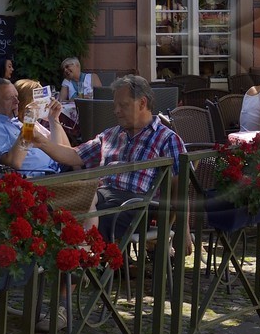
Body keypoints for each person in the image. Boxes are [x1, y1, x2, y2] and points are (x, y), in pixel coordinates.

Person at [47, 76, 187, 243]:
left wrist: (183, 229)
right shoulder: (111, 134)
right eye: (115, 105)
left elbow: (181, 187)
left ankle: (87, 257)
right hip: (101, 195)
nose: (116, 110)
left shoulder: (167, 138)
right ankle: (77, 256)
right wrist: (41, 141)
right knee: (59, 213)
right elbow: (73, 155)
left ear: (142, 103)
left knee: (88, 221)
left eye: (123, 105)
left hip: (136, 206)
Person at [0, 77, 72, 176]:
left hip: (55, 169)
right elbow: (14, 162)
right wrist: (29, 123)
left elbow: (57, 149)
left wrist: (53, 119)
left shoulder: (12, 121)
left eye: (16, 97)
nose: (17, 102)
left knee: (78, 157)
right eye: (10, 98)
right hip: (38, 179)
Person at [57, 56, 97, 123]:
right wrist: (77, 98)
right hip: (73, 117)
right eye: (64, 69)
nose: (65, 70)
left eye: (67, 66)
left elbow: (100, 96)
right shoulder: (67, 81)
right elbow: (61, 101)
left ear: (77, 65)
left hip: (92, 112)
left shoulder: (92, 77)